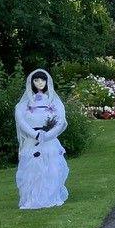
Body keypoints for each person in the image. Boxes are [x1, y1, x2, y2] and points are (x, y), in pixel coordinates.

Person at [14, 69, 69, 210]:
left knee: (52, 168)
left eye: (42, 80)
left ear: (47, 82)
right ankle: (33, 197)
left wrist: (48, 135)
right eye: (36, 80)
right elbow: (21, 121)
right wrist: (35, 134)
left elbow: (61, 121)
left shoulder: (54, 102)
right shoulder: (25, 104)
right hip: (32, 142)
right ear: (31, 83)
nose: (39, 83)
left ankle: (50, 195)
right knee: (32, 170)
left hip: (49, 140)